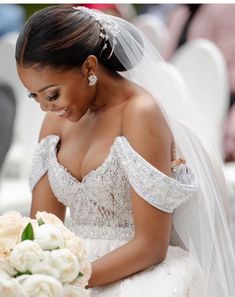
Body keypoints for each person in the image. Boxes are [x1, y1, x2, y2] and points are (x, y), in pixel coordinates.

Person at [15, 5, 235, 296]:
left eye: (52, 94)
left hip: (136, 272)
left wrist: (69, 278)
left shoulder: (139, 113)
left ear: (89, 68)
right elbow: (43, 230)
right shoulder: (55, 124)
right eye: (35, 96)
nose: (45, 107)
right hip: (71, 269)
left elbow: (151, 246)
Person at [164, 4, 235, 162]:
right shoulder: (178, 14)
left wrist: (230, 137)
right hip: (180, 109)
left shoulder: (226, 9)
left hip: (216, 116)